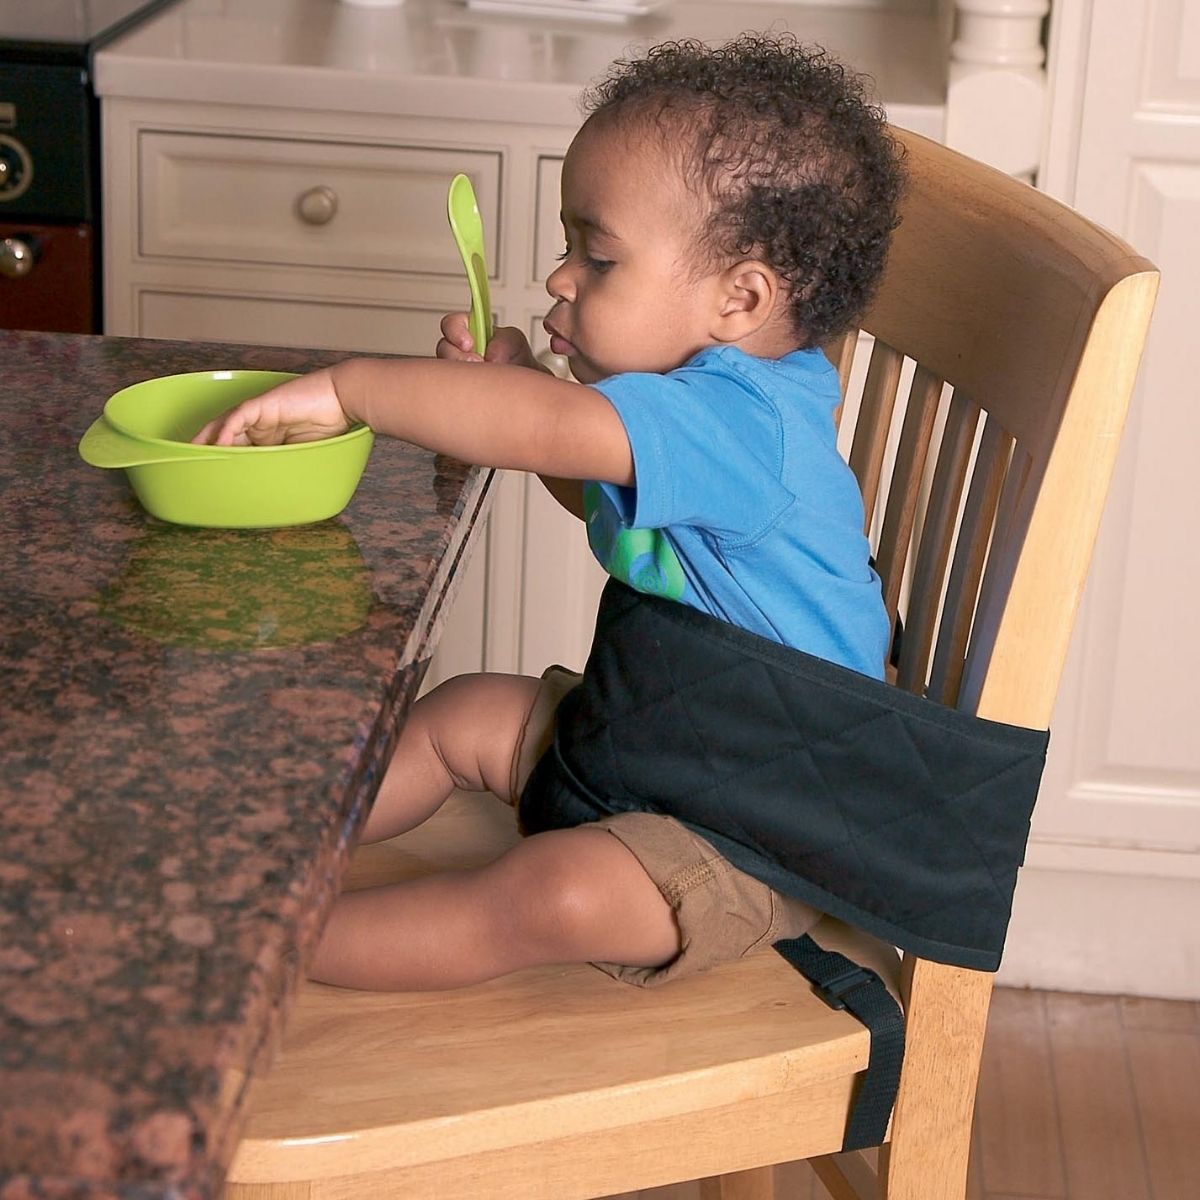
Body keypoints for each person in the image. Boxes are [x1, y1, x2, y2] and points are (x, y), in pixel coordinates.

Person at [194, 33, 906, 992]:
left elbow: (547, 433)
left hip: (765, 828)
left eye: (598, 257)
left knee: (554, 896)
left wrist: (353, 388)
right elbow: (587, 481)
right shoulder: (695, 410)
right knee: (461, 717)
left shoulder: (744, 423)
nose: (560, 278)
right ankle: (251, 864)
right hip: (658, 747)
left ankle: (247, 955)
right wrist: (518, 388)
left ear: (741, 298)